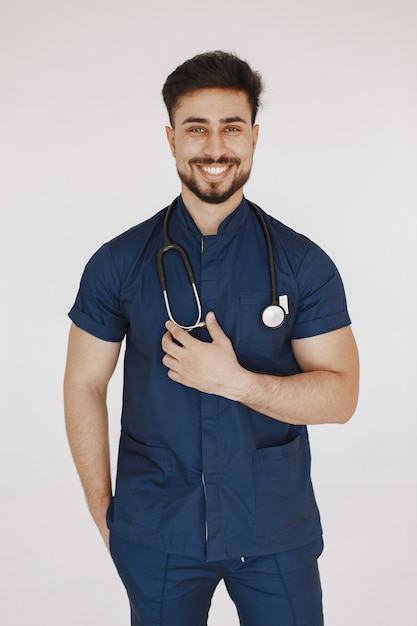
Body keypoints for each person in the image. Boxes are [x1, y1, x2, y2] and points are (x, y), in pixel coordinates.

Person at [64, 50, 359, 626]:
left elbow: (342, 397)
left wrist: (238, 383)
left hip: (274, 528)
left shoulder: (302, 264)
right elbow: (83, 382)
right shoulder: (119, 263)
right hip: (156, 531)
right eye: (197, 128)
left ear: (254, 136)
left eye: (231, 127)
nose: (215, 147)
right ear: (171, 138)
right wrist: (106, 514)